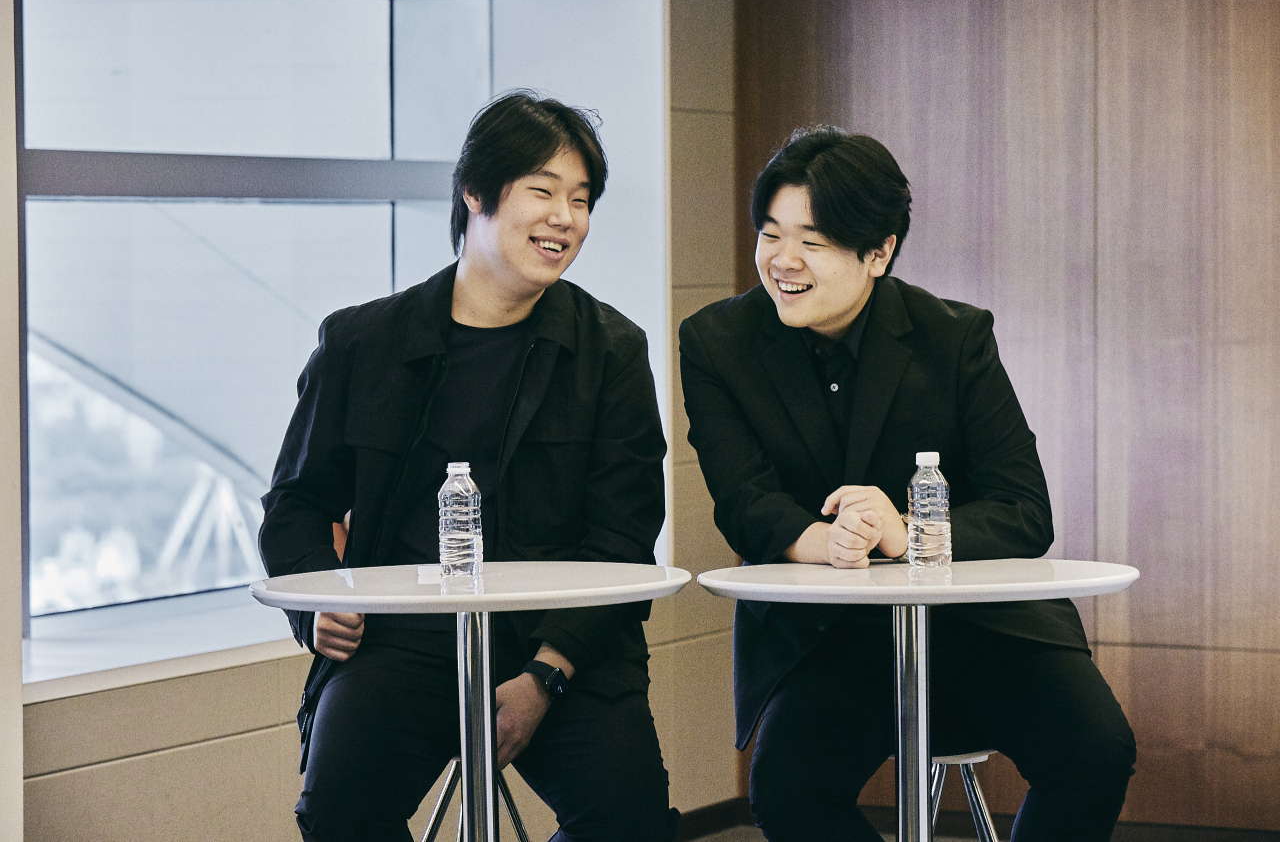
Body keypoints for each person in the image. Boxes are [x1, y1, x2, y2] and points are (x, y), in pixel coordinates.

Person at [679, 126, 1135, 841]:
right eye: (772, 234)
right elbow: (743, 499)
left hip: (979, 626)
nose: (783, 262)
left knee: (1096, 751)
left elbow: (1024, 509)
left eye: (814, 242)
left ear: (879, 250)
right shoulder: (717, 343)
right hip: (832, 636)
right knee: (789, 787)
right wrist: (824, 542)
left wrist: (909, 531)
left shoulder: (952, 337)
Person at [259, 90, 677, 842]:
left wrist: (546, 674)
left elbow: (624, 535)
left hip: (560, 643)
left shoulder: (611, 351)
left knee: (631, 821)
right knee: (337, 814)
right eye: (543, 192)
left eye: (581, 200)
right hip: (405, 639)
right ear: (476, 193)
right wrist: (315, 603)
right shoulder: (363, 342)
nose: (565, 218)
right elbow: (294, 503)